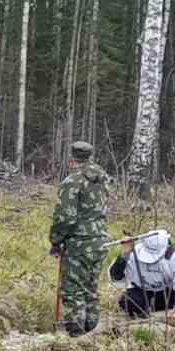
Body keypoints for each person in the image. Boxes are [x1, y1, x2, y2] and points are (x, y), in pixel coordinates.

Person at [48, 140, 109, 337]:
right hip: (100, 238)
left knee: (73, 290)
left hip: (79, 242)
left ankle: (76, 335)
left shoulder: (72, 181)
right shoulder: (102, 179)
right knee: (90, 288)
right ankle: (92, 332)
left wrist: (56, 240)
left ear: (72, 157)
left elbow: (65, 217)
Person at [110, 229, 175, 319]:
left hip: (167, 293)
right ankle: (142, 312)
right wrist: (124, 256)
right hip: (142, 292)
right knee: (128, 303)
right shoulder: (133, 253)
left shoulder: (173, 256)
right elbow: (116, 278)